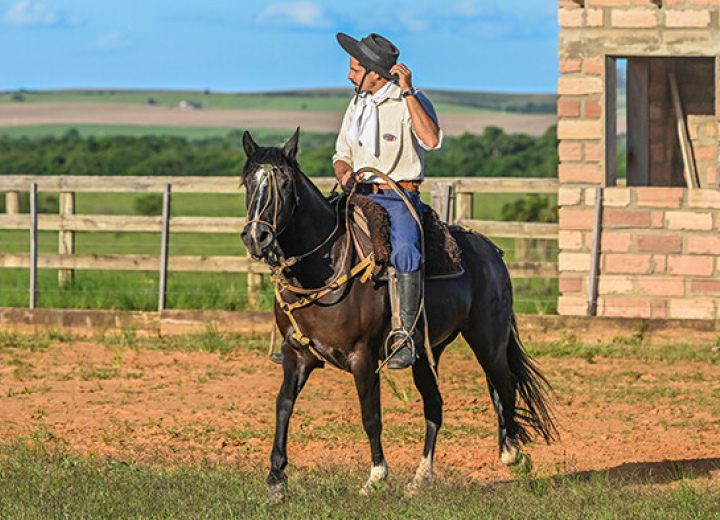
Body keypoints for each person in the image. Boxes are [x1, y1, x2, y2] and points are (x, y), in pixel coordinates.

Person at [333, 32, 443, 369]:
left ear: (374, 73)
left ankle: (405, 336)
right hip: (358, 193)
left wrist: (408, 91)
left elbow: (431, 139)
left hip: (398, 196)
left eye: (355, 69)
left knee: (406, 250)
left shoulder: (410, 101)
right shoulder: (357, 104)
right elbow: (341, 154)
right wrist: (343, 173)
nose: (349, 75)